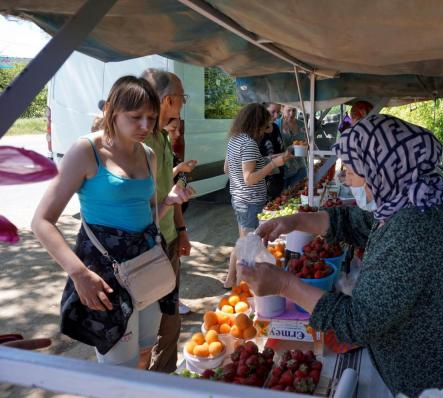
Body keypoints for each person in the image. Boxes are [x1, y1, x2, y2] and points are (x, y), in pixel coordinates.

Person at [241, 114, 443, 397]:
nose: (347, 178)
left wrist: (284, 285)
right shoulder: (414, 203)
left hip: (436, 384)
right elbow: (357, 222)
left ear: (380, 171)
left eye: (353, 170)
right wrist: (295, 221)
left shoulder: (415, 229)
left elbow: (357, 321)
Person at [32, 76, 193, 368]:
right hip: (106, 277)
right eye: (135, 118)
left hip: (147, 268)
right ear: (112, 112)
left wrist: (168, 202)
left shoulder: (148, 154)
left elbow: (145, 218)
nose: (145, 126)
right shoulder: (85, 151)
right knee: (118, 366)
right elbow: (41, 221)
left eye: (151, 118)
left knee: (145, 350)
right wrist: (79, 274)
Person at [140, 68, 196, 372]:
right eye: (182, 99)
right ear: (168, 100)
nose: (183, 104)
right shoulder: (139, 141)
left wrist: (182, 230)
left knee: (170, 326)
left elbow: (170, 191)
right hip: (146, 248)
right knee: (144, 336)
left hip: (170, 242)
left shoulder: (162, 138)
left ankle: (163, 381)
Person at [223, 103, 291, 288]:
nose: (265, 130)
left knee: (243, 241)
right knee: (248, 247)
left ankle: (230, 279)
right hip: (250, 201)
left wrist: (271, 159)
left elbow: (227, 168)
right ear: (257, 123)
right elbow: (250, 178)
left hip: (238, 199)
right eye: (264, 124)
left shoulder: (234, 140)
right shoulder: (250, 143)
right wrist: (272, 165)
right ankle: (239, 287)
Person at [260, 103, 286, 201]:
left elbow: (280, 148)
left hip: (279, 177)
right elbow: (255, 161)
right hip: (264, 182)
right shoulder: (255, 132)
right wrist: (279, 158)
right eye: (273, 112)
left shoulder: (275, 127)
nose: (276, 116)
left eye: (278, 112)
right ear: (263, 110)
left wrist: (290, 150)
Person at [276, 105, 307, 189]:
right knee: (284, 198)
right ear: (282, 108)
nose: (291, 113)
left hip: (300, 167)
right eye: (289, 110)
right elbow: (275, 150)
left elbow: (308, 141)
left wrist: (306, 144)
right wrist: (291, 147)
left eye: (294, 110)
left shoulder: (301, 124)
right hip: (283, 170)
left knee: (301, 195)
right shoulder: (276, 126)